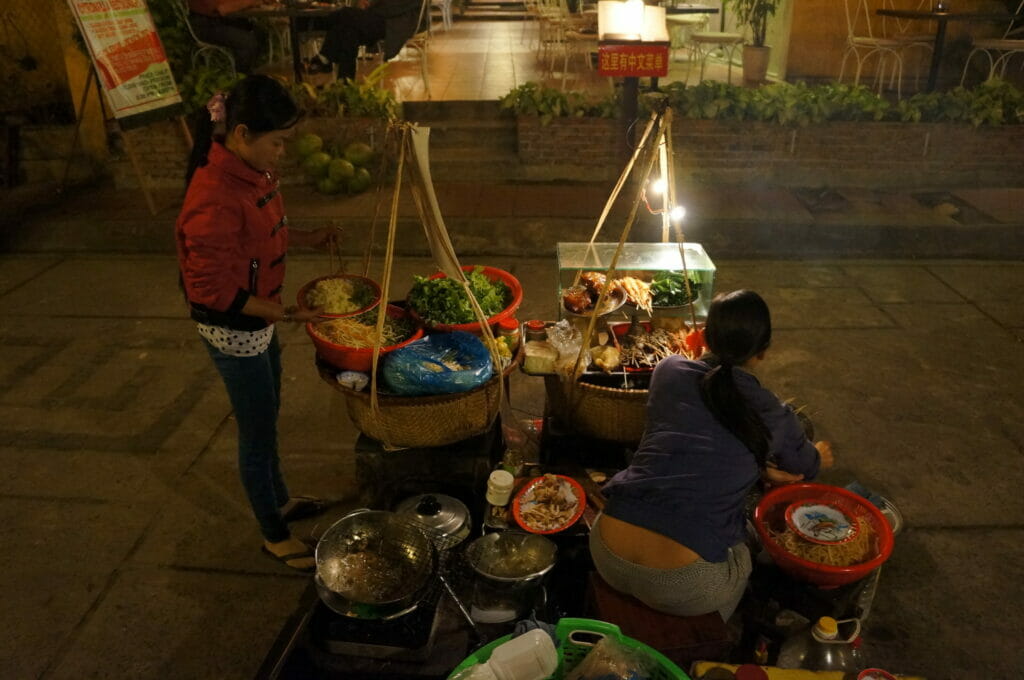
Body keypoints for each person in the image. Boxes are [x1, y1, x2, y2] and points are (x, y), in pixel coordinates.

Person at [590, 290, 835, 621]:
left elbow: (690, 438)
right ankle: (720, 633)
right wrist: (817, 456)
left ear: (703, 334)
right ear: (763, 352)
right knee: (745, 551)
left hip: (606, 550)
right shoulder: (774, 413)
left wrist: (758, 465)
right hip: (684, 585)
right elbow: (806, 469)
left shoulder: (668, 370)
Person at [176, 75, 339, 572]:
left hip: (259, 319)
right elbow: (212, 289)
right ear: (242, 133)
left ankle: (281, 500)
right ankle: (273, 533)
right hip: (234, 329)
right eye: (278, 142)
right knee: (256, 431)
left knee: (270, 413)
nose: (282, 153)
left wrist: (310, 238)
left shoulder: (251, 173)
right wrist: (288, 313)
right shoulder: (214, 195)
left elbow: (266, 234)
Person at [316, 0, 424, 81]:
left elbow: (394, 7)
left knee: (345, 14)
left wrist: (370, 5)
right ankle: (345, 88)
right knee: (349, 31)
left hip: (393, 23)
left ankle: (325, 56)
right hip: (379, 18)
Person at [187, 0, 267, 74]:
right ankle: (242, 76)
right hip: (205, 25)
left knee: (260, 32)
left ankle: (255, 71)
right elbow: (223, 9)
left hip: (220, 19)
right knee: (247, 42)